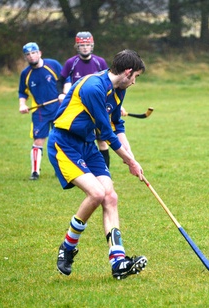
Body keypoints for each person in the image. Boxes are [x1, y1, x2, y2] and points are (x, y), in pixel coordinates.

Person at [48, 49, 147, 279]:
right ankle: (68, 247)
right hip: (65, 144)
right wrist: (129, 162)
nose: (134, 82)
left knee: (110, 196)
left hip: (88, 145)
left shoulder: (118, 89)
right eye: (136, 77)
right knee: (97, 193)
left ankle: (118, 263)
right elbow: (107, 134)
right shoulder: (93, 88)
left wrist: (133, 159)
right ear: (128, 71)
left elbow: (117, 126)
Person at [56, 31, 127, 169]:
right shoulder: (71, 62)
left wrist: (116, 105)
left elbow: (110, 84)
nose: (85, 47)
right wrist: (60, 94)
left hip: (98, 105)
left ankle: (105, 169)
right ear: (77, 46)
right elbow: (60, 81)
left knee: (103, 140)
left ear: (92, 45)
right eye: (82, 45)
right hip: (79, 107)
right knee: (80, 139)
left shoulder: (99, 61)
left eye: (88, 44)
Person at [18, 42, 63, 180]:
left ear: (40, 53)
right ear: (25, 57)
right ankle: (35, 172)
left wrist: (64, 94)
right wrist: (22, 104)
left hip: (58, 108)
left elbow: (65, 80)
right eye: (28, 54)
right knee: (38, 141)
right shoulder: (26, 73)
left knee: (60, 140)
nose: (31, 56)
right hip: (39, 111)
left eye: (33, 53)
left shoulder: (53, 65)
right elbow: (22, 92)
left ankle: (61, 169)